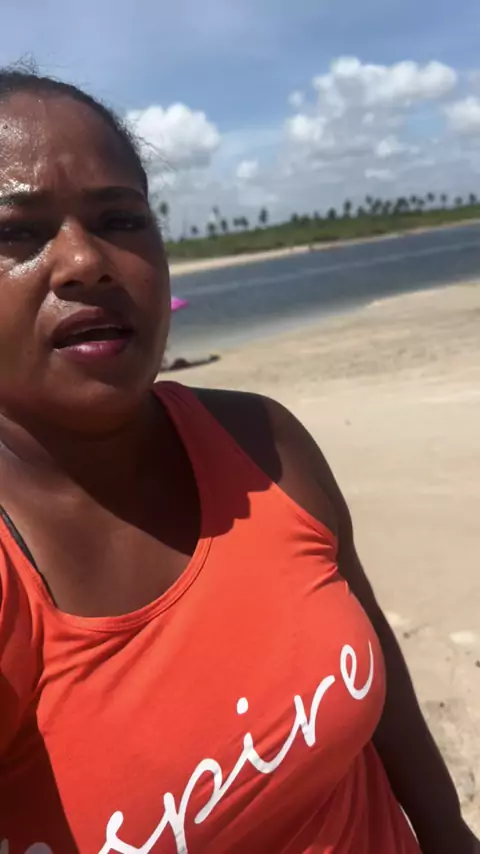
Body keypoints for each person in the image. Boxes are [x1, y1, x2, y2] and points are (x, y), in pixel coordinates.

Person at [0, 67, 477, 854]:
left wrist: (450, 832)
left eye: (121, 219)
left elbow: (382, 681)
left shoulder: (264, 447)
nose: (86, 260)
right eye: (16, 232)